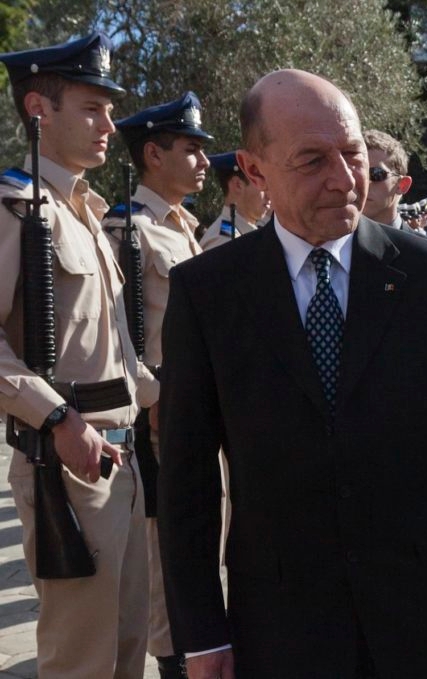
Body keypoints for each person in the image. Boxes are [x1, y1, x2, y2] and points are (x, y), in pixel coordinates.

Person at [156, 69, 427, 679]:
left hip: (415, 610)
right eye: (312, 160)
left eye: (351, 154)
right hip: (276, 624)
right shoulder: (208, 291)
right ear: (254, 168)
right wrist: (201, 633)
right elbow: (187, 480)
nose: (343, 179)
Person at [0, 33, 159, 678]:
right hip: (67, 460)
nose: (108, 124)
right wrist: (57, 419)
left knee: (125, 654)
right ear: (39, 108)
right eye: (92, 107)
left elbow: (116, 354)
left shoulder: (83, 214)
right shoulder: (15, 210)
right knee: (81, 663)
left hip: (118, 456)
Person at [103, 91, 213, 679]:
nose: (202, 161)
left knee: (198, 532)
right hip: (157, 414)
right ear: (152, 153)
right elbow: (120, 332)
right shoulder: (128, 228)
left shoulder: (181, 226)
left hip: (192, 408)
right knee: (162, 549)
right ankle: (173, 660)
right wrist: (150, 396)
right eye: (190, 149)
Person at [200, 150, 270, 250]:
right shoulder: (223, 240)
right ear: (238, 185)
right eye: (261, 185)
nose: (269, 195)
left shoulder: (241, 232)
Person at [358, 129, 414, 234]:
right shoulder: (327, 245)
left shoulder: (420, 250)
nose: (364, 182)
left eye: (376, 174)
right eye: (357, 173)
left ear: (402, 185)